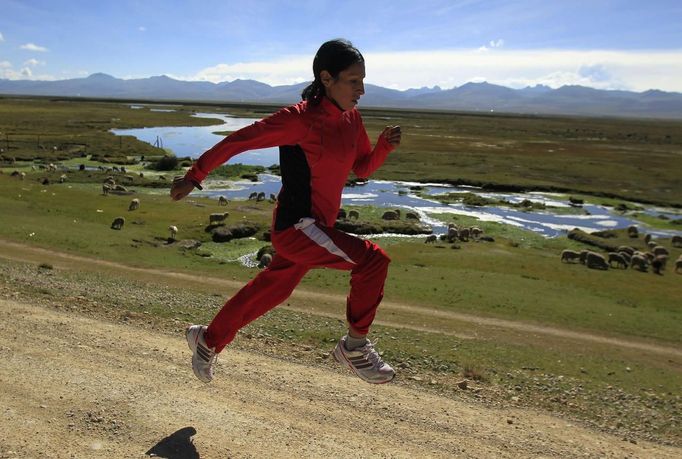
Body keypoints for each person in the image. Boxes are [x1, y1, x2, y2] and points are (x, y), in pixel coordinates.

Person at [171, 38, 402, 385]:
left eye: (363, 80)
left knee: (273, 290)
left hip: (316, 228)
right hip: (297, 227)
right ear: (327, 78)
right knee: (373, 260)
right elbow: (240, 141)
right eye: (354, 81)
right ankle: (354, 347)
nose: (362, 90)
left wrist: (383, 147)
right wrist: (194, 175)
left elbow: (363, 169)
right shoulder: (299, 119)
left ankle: (207, 340)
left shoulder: (352, 120)